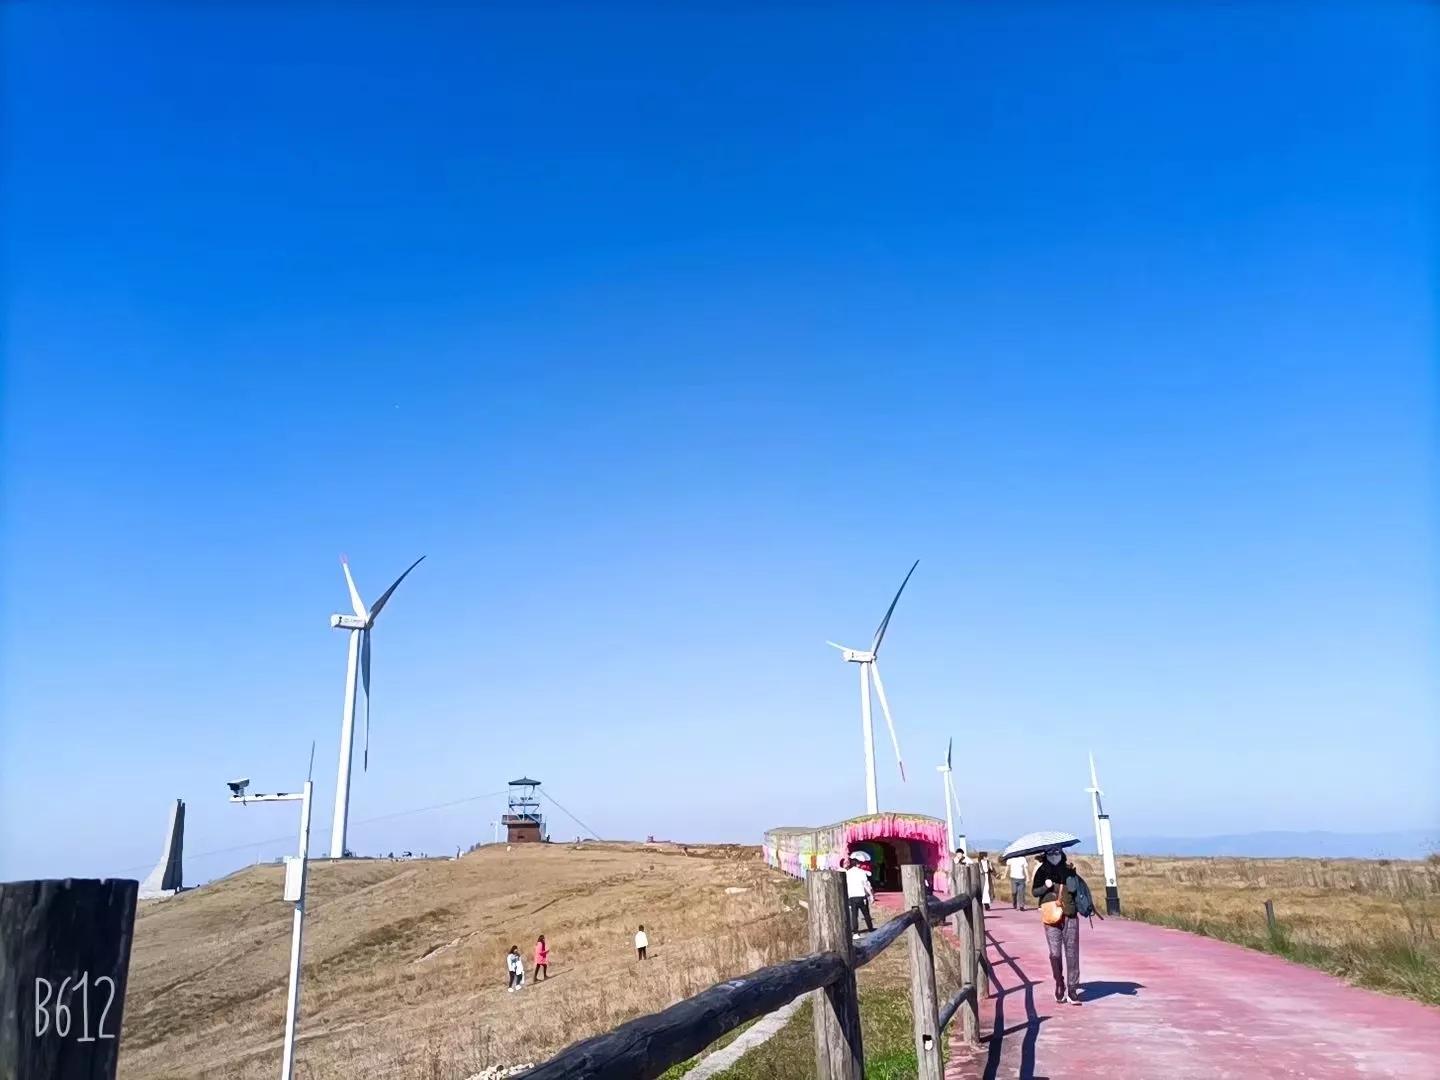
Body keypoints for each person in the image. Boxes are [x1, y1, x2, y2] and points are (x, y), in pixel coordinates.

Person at [1033, 848, 1082, 1005]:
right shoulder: (1041, 871)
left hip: (1070, 914)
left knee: (1072, 952)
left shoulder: (1069, 870)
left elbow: (1075, 891)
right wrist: (1046, 887)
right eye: (1051, 853)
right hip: (1051, 915)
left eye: (1057, 852)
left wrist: (1070, 877)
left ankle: (1072, 989)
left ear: (1062, 853)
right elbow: (1035, 892)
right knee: (1055, 953)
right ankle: (1059, 983)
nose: (1054, 856)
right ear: (1046, 855)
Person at [842, 856, 875, 936]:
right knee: (866, 913)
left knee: (854, 915)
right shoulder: (861, 872)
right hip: (861, 895)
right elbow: (865, 885)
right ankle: (870, 929)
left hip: (852, 896)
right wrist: (871, 895)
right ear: (857, 864)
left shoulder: (847, 873)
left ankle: (855, 932)